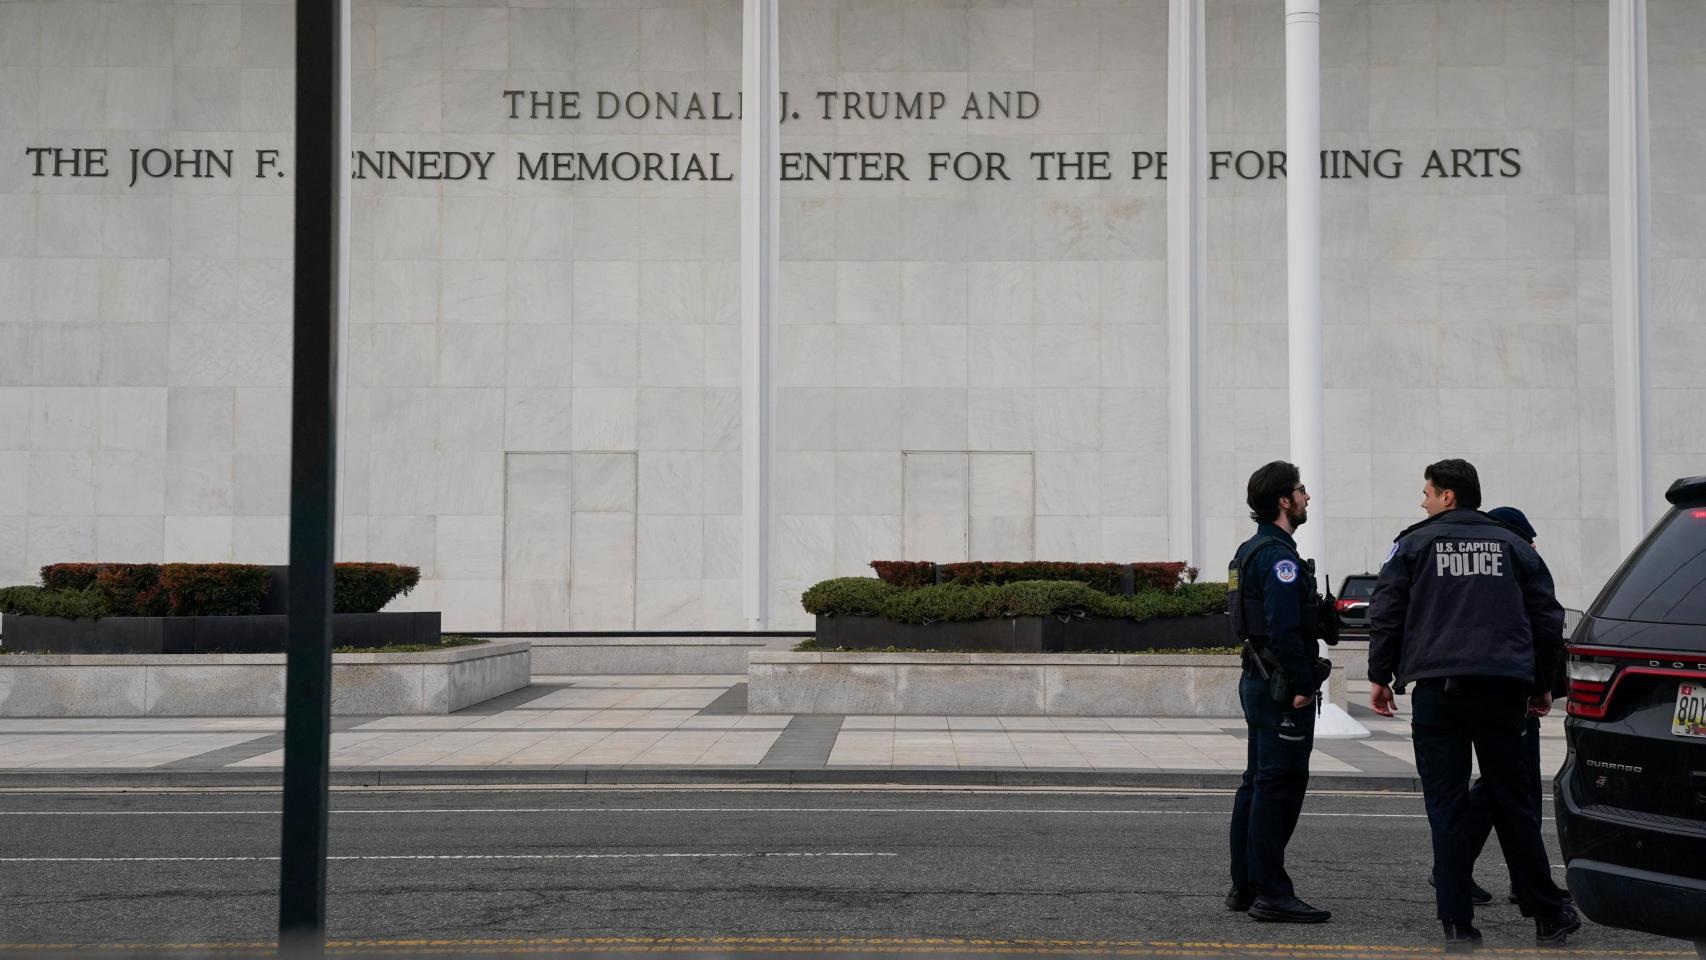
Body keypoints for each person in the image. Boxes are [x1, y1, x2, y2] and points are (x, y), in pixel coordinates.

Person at [1368, 460, 1580, 948]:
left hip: (1436, 692)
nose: (1422, 501)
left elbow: (1386, 611)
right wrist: (1544, 683)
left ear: (1448, 496)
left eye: (1426, 492)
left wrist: (1380, 676)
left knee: (1444, 806)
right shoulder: (1512, 545)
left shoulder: (1415, 543)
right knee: (1514, 803)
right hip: (1502, 689)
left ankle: (1458, 924)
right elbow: (1547, 619)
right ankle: (1546, 914)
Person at [1225, 461, 1332, 924]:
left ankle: (1245, 885)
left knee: (1257, 784)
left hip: (1258, 679)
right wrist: (1303, 687)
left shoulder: (1250, 551)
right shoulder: (1280, 559)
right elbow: (1285, 630)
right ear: (1284, 501)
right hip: (1280, 686)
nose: (1307, 496)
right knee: (1279, 788)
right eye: (1300, 490)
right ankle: (1271, 891)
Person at [1463, 506, 1572, 907]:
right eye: (1527, 537)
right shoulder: (1516, 566)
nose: (1532, 545)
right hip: (1516, 692)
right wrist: (1541, 687)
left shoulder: (1492, 568)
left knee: (1509, 787)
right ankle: (1511, 879)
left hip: (1507, 689)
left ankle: (1518, 878)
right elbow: (1541, 628)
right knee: (1511, 787)